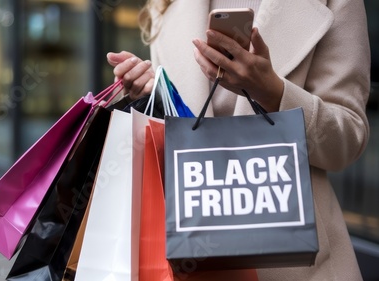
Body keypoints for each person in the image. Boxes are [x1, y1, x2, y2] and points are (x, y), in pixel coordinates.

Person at [107, 0, 370, 280]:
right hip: (194, 256)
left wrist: (272, 91)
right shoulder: (169, 6)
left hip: (295, 262)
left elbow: (348, 137)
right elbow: (177, 141)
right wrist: (154, 94)